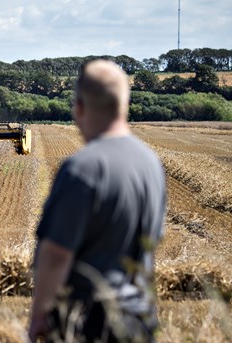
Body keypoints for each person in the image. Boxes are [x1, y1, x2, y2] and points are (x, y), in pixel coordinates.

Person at [28, 60, 166, 342]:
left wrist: (39, 315)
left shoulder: (83, 168)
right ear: (124, 103)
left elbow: (56, 254)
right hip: (140, 320)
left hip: (89, 322)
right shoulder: (150, 163)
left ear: (78, 106)